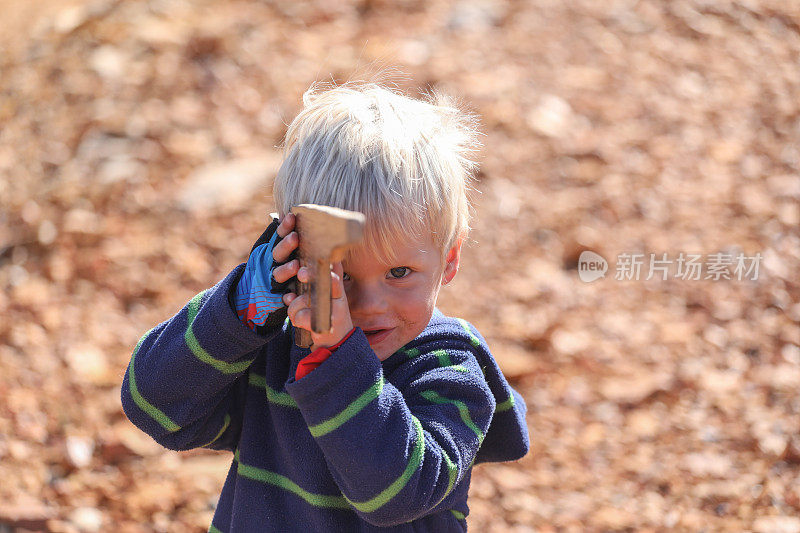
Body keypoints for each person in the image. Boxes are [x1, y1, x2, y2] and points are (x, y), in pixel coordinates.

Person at [121, 82, 529, 532]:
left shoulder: (450, 372)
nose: (369, 306)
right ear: (297, 260)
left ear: (448, 260)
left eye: (398, 273)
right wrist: (241, 310)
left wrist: (337, 358)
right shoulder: (276, 353)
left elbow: (395, 495)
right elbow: (156, 407)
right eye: (343, 278)